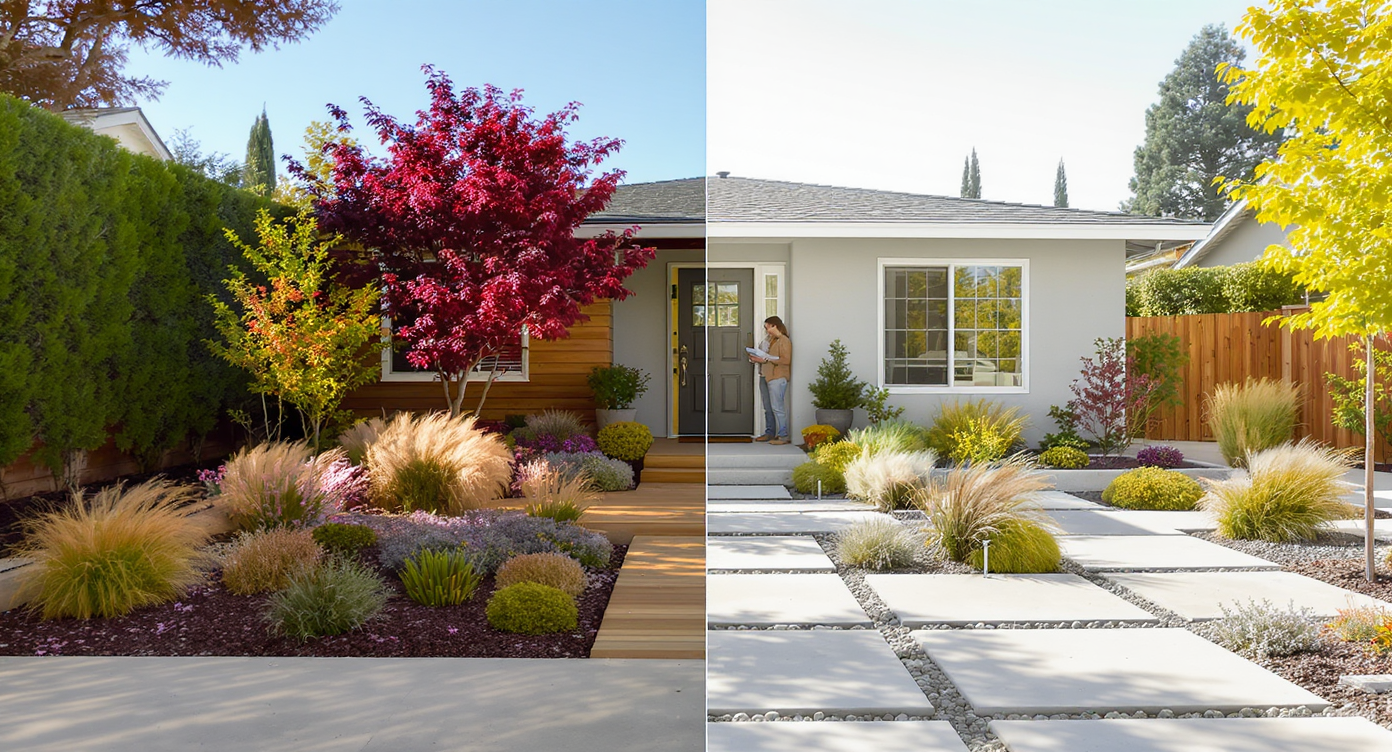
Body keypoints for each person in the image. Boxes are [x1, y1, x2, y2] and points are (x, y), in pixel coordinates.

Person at [749, 316, 791, 444]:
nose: (767, 330)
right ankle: (770, 433)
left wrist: (766, 359)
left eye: (768, 326)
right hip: (765, 376)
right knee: (768, 407)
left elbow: (786, 360)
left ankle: (783, 436)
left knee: (777, 407)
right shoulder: (769, 340)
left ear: (775, 326)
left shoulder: (784, 340)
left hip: (777, 377)